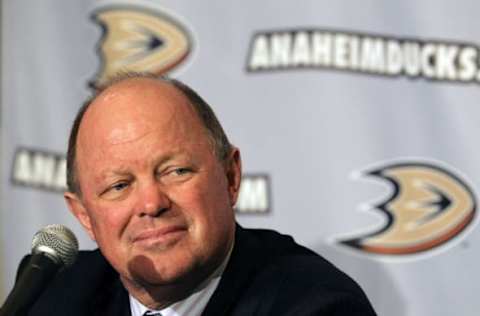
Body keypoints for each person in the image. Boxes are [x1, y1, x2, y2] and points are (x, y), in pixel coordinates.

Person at [25, 73, 376, 315]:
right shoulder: (56, 294)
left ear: (230, 176)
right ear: (84, 214)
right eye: (119, 186)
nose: (151, 203)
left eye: (176, 171)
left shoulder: (315, 305)